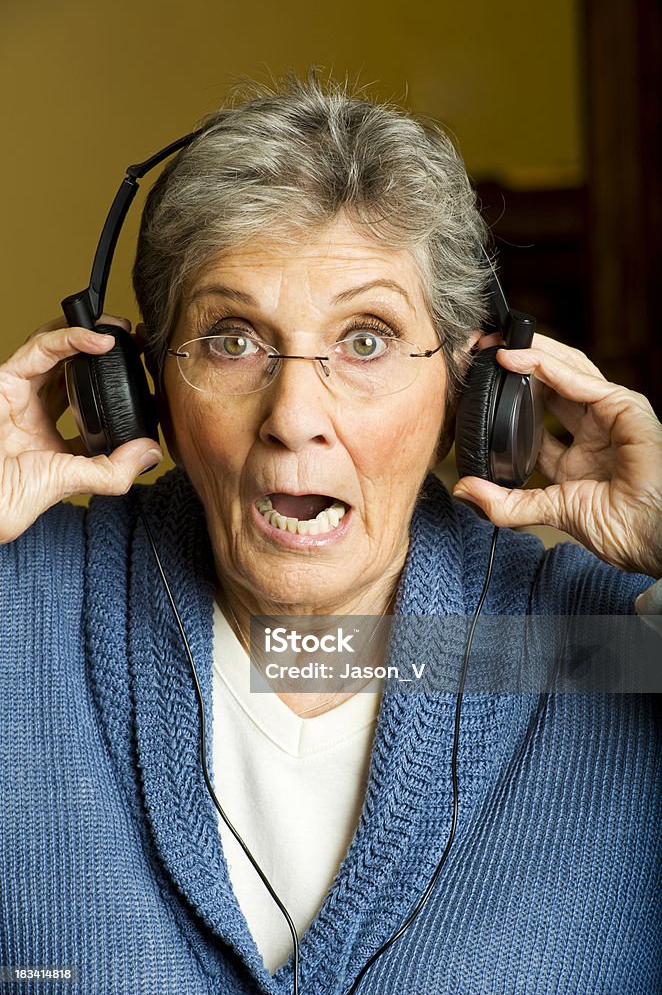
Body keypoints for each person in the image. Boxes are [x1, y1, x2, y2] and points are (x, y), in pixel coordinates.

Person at [0, 75, 660, 995]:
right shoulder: (20, 613)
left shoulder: (620, 641)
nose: (294, 417)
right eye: (232, 339)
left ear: (471, 398)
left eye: (366, 340)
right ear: (140, 389)